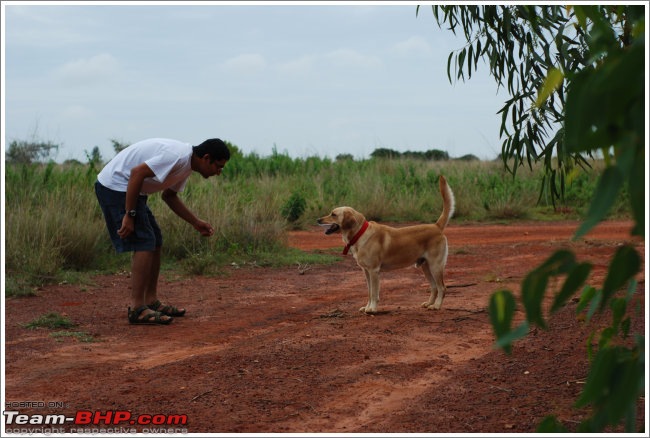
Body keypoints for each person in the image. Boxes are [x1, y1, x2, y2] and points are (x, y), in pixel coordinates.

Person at [94, 138, 230, 325]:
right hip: (115, 186)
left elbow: (169, 196)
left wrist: (195, 222)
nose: (219, 172)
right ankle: (137, 308)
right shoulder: (177, 157)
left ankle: (151, 301)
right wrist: (129, 214)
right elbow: (136, 173)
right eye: (218, 166)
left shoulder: (187, 165)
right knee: (145, 241)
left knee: (154, 239)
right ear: (206, 158)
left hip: (131, 189)